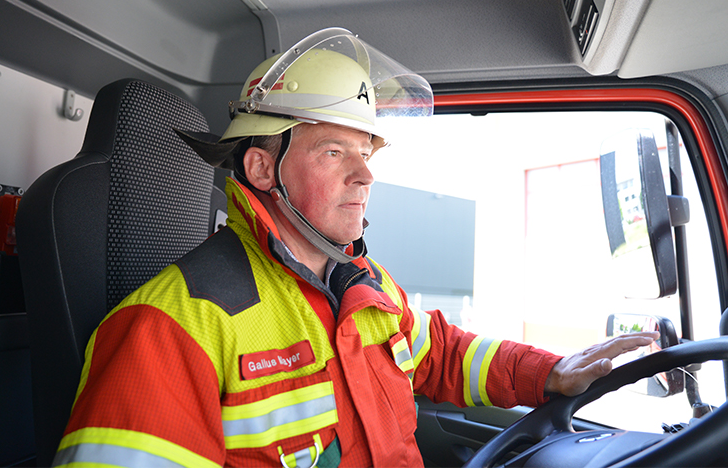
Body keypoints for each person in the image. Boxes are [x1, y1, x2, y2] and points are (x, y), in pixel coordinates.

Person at [53, 28, 658, 467]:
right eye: (334, 152)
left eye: (366, 155)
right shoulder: (167, 329)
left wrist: (549, 372)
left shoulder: (364, 284)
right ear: (264, 168)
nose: (365, 177)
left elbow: (438, 354)